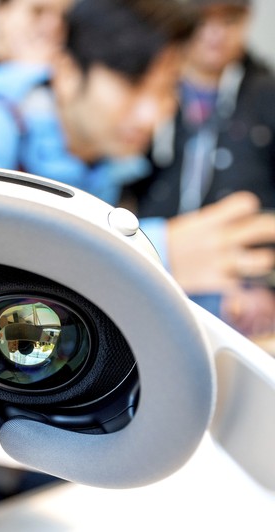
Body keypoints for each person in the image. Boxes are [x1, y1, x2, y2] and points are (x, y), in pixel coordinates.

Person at [0, 0, 275, 318]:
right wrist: (151, 255)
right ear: (68, 73)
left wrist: (217, 306)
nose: (153, 114)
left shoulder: (108, 162)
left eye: (166, 90)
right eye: (133, 84)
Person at [125, 0, 275, 335]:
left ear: (247, 20)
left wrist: (265, 286)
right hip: (152, 263)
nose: (215, 34)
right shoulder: (145, 92)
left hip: (243, 283)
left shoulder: (266, 96)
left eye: (230, 20)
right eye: (204, 21)